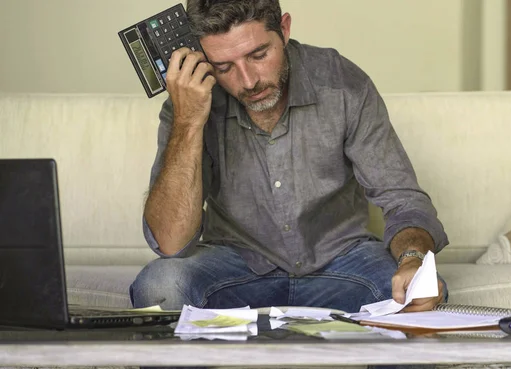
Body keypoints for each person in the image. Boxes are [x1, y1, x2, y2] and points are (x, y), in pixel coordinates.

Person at [130, 0, 449, 317]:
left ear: (284, 29)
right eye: (224, 66)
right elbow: (170, 244)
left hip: (343, 259)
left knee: (418, 295)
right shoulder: (189, 101)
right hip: (233, 263)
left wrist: (412, 258)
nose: (248, 81)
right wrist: (188, 120)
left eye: (258, 55)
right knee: (159, 286)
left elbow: (403, 201)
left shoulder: (342, 84)